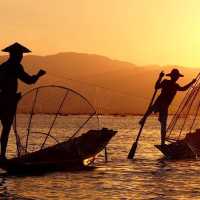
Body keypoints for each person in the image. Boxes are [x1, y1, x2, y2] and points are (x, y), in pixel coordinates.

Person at [0, 42, 46, 159]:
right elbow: (29, 81)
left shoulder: (3, 66)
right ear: (15, 55)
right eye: (20, 55)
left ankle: (2, 156)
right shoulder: (15, 66)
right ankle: (2, 156)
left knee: (5, 128)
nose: (21, 57)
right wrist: (38, 75)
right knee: (6, 129)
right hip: (8, 101)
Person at [139, 68, 196, 146]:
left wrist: (192, 82)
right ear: (172, 76)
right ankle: (143, 119)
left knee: (163, 124)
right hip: (160, 102)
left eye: (177, 76)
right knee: (151, 110)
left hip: (165, 106)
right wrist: (160, 77)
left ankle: (162, 143)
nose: (176, 78)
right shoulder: (165, 82)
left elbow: (183, 89)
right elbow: (156, 87)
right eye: (175, 76)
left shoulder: (175, 85)